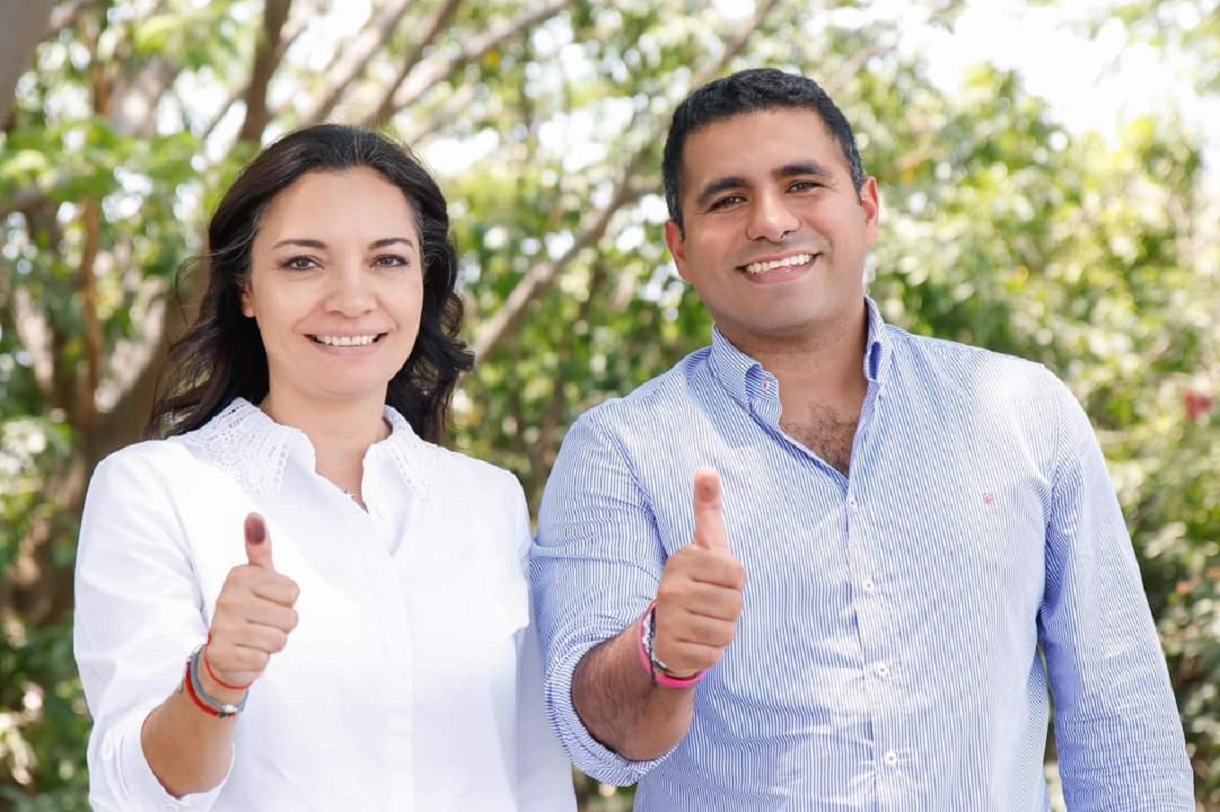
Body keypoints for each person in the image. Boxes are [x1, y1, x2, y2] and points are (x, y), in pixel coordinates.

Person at [530, 68, 1194, 810]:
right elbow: (599, 740)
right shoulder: (619, 449)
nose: (772, 221)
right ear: (680, 249)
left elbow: (1119, 714)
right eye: (728, 198)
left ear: (867, 207)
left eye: (803, 183)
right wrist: (662, 654)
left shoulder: (1023, 411)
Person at [73, 124, 577, 811]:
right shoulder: (156, 489)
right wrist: (213, 681)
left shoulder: (488, 500)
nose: (350, 296)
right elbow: (135, 789)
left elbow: (531, 773)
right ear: (246, 289)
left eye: (388, 260)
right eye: (303, 263)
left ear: (424, 283)